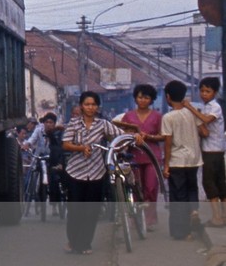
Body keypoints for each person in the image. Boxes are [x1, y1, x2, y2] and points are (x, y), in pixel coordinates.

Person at [61, 91, 117, 254]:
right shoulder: (73, 124)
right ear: (81, 106)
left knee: (92, 211)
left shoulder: (103, 124)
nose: (90, 107)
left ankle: (85, 243)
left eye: (93, 104)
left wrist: (135, 136)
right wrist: (81, 148)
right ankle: (72, 241)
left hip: (97, 173)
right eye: (87, 104)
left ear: (97, 107)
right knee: (75, 210)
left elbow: (118, 135)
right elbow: (65, 144)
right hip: (75, 172)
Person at [116, 84, 164, 232]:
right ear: (136, 98)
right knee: (136, 187)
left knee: (151, 187)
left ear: (152, 100)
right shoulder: (128, 116)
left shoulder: (157, 116)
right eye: (140, 97)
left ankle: (150, 219)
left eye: (146, 97)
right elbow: (122, 134)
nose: (143, 100)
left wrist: (148, 136)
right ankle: (136, 218)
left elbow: (163, 136)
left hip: (152, 156)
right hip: (134, 156)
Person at [161, 80, 203, 241]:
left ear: (168, 97)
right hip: (194, 158)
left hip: (177, 160)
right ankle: (193, 210)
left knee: (178, 196)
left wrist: (166, 165)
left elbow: (168, 142)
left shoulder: (168, 117)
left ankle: (182, 232)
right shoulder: (192, 112)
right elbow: (204, 131)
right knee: (192, 188)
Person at [191, 76, 226, 226]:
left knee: (210, 183)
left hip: (213, 150)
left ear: (215, 92)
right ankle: (220, 216)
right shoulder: (205, 107)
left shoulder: (214, 107)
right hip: (211, 149)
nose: (204, 93)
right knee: (219, 183)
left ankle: (218, 217)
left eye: (208, 91)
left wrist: (190, 108)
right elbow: (204, 131)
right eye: (202, 91)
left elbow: (205, 120)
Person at [24, 112, 65, 213]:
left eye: (51, 122)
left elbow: (60, 148)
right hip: (39, 158)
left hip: (53, 161)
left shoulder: (58, 132)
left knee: (54, 181)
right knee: (34, 176)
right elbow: (31, 140)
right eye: (46, 122)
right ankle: (33, 197)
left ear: (54, 124)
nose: (48, 124)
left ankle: (55, 206)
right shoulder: (38, 130)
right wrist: (27, 144)